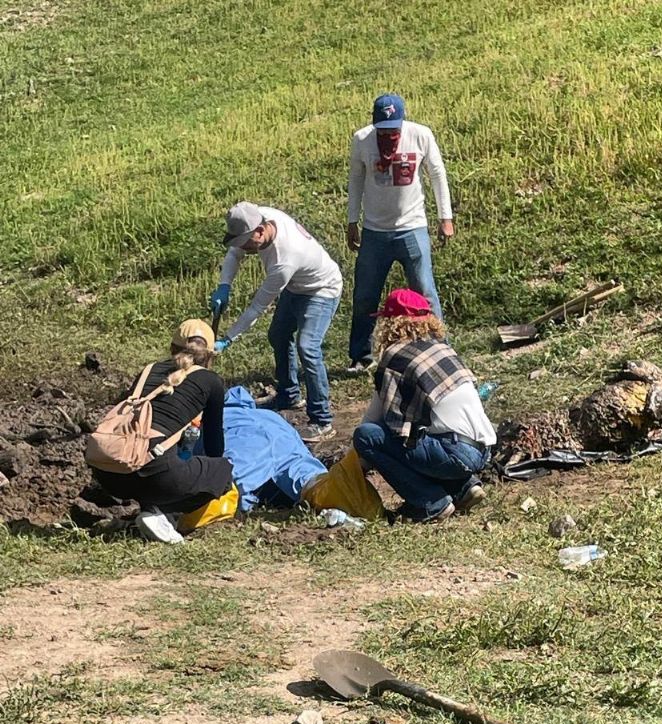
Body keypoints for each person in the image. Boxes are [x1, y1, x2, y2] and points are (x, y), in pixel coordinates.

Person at [353, 289, 496, 523]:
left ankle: (432, 502)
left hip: (455, 452)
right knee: (422, 435)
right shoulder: (441, 348)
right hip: (482, 449)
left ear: (390, 323)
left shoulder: (396, 356)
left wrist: (355, 461)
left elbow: (377, 420)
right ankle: (464, 487)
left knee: (367, 436)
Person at [210, 202, 342, 442]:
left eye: (247, 243)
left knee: (308, 347)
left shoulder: (285, 259)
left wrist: (228, 339)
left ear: (260, 231)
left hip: (321, 289)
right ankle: (289, 396)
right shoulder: (258, 216)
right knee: (278, 335)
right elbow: (234, 253)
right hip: (296, 286)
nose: (245, 249)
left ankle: (322, 420)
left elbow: (257, 308)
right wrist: (224, 285)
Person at [93, 319, 233, 544]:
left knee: (157, 460)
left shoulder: (148, 371)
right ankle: (164, 516)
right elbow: (214, 445)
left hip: (109, 472)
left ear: (171, 348)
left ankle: (150, 510)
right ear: (209, 356)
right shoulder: (211, 381)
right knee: (222, 472)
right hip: (156, 476)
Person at [346, 93, 454, 375]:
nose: (388, 135)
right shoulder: (362, 139)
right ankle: (361, 355)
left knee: (425, 290)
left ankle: (441, 347)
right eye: (382, 130)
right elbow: (356, 178)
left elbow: (437, 174)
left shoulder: (421, 135)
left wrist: (445, 217)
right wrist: (352, 220)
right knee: (365, 295)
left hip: (412, 226)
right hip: (374, 230)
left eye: (393, 129)